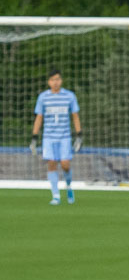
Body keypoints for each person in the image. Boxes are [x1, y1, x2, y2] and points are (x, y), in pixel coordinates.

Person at [31, 69, 82, 205]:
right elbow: (39, 117)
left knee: (65, 164)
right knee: (52, 163)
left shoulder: (69, 96)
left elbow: (75, 116)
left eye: (58, 79)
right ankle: (56, 195)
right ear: (49, 82)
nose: (55, 82)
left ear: (61, 80)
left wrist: (79, 135)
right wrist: (34, 137)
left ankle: (69, 185)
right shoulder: (43, 97)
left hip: (64, 136)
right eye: (53, 80)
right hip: (49, 137)